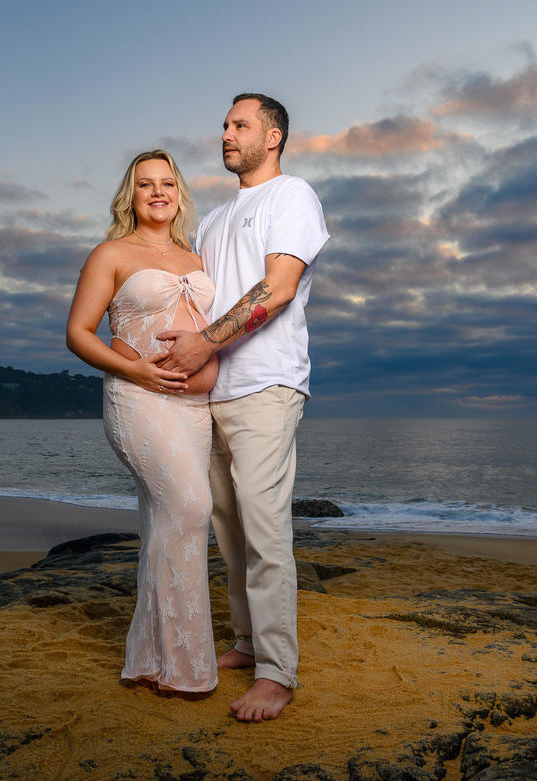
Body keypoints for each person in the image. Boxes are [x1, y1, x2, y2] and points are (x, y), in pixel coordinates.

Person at [157, 93, 330, 722]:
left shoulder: (292, 196)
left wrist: (205, 340)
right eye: (224, 125)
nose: (226, 134)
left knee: (264, 529)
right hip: (212, 392)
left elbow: (278, 289)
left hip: (267, 384)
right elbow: (199, 301)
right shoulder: (214, 219)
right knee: (226, 529)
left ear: (274, 134)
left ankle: (277, 674)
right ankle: (247, 641)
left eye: (240, 125)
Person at [65, 150, 219, 694]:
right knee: (192, 505)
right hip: (138, 400)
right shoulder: (111, 253)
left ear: (179, 192)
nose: (158, 192)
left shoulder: (198, 256)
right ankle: (186, 670)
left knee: (165, 523)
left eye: (168, 183)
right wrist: (138, 370)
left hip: (196, 409)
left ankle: (151, 661)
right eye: (145, 184)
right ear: (129, 195)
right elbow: (79, 333)